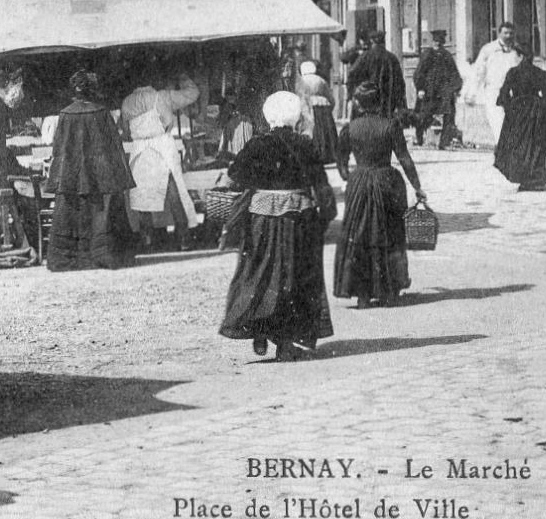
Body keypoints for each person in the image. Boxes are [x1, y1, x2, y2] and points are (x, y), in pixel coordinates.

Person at [218, 92, 336, 361]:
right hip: (298, 218)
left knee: (259, 274)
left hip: (261, 219)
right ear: (295, 116)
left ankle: (259, 328)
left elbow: (235, 176)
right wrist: (326, 216)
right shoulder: (305, 144)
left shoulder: (257, 144)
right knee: (292, 279)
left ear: (268, 115)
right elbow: (321, 183)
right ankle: (285, 342)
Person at [333, 84, 426, 309]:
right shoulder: (391, 126)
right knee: (389, 233)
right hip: (387, 182)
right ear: (377, 102)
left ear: (358, 103)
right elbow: (404, 158)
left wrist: (349, 177)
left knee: (360, 234)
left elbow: (340, 159)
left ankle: (363, 293)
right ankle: (389, 290)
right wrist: (417, 187)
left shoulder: (350, 128)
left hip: (360, 182)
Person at [44, 70, 134, 271]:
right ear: (92, 90)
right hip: (101, 176)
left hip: (72, 175)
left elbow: (60, 149)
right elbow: (114, 146)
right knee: (103, 212)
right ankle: (104, 255)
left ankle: (73, 258)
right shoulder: (101, 112)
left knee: (71, 212)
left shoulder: (65, 114)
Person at [120, 70, 202, 250]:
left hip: (140, 149)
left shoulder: (126, 102)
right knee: (174, 191)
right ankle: (183, 237)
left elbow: (125, 131)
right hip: (162, 147)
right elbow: (193, 94)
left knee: (142, 194)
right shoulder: (162, 96)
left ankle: (146, 238)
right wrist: (182, 75)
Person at [493, 51, 546, 191]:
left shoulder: (513, 73)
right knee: (535, 145)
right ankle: (535, 179)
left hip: (518, 113)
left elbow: (504, 94)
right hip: (535, 112)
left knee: (518, 146)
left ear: (520, 56)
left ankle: (523, 178)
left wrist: (510, 109)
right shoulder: (540, 73)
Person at [468, 22, 523, 142]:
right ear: (499, 33)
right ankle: (502, 149)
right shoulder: (489, 49)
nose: (508, 36)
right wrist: (472, 93)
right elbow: (478, 72)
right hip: (494, 91)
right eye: (505, 33)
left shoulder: (518, 50)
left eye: (511, 33)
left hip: (514, 92)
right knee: (498, 121)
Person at [412, 29, 463, 148]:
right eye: (435, 41)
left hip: (444, 90)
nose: (437, 44)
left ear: (443, 42)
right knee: (423, 115)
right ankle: (419, 138)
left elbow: (454, 73)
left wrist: (456, 88)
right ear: (432, 41)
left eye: (440, 41)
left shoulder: (447, 55)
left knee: (449, 113)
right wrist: (420, 88)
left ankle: (444, 142)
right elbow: (419, 73)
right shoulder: (427, 54)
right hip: (429, 90)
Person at [345, 32, 406, 120]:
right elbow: (400, 83)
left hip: (367, 99)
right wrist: (401, 103)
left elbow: (352, 74)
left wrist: (351, 93)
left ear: (371, 41)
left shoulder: (365, 56)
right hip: (387, 100)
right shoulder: (392, 58)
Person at [297, 60, 339, 166]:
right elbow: (329, 96)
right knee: (325, 131)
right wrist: (330, 108)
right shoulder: (321, 80)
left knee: (313, 131)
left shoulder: (301, 81)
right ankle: (328, 154)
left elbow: (300, 96)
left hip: (309, 107)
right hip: (323, 108)